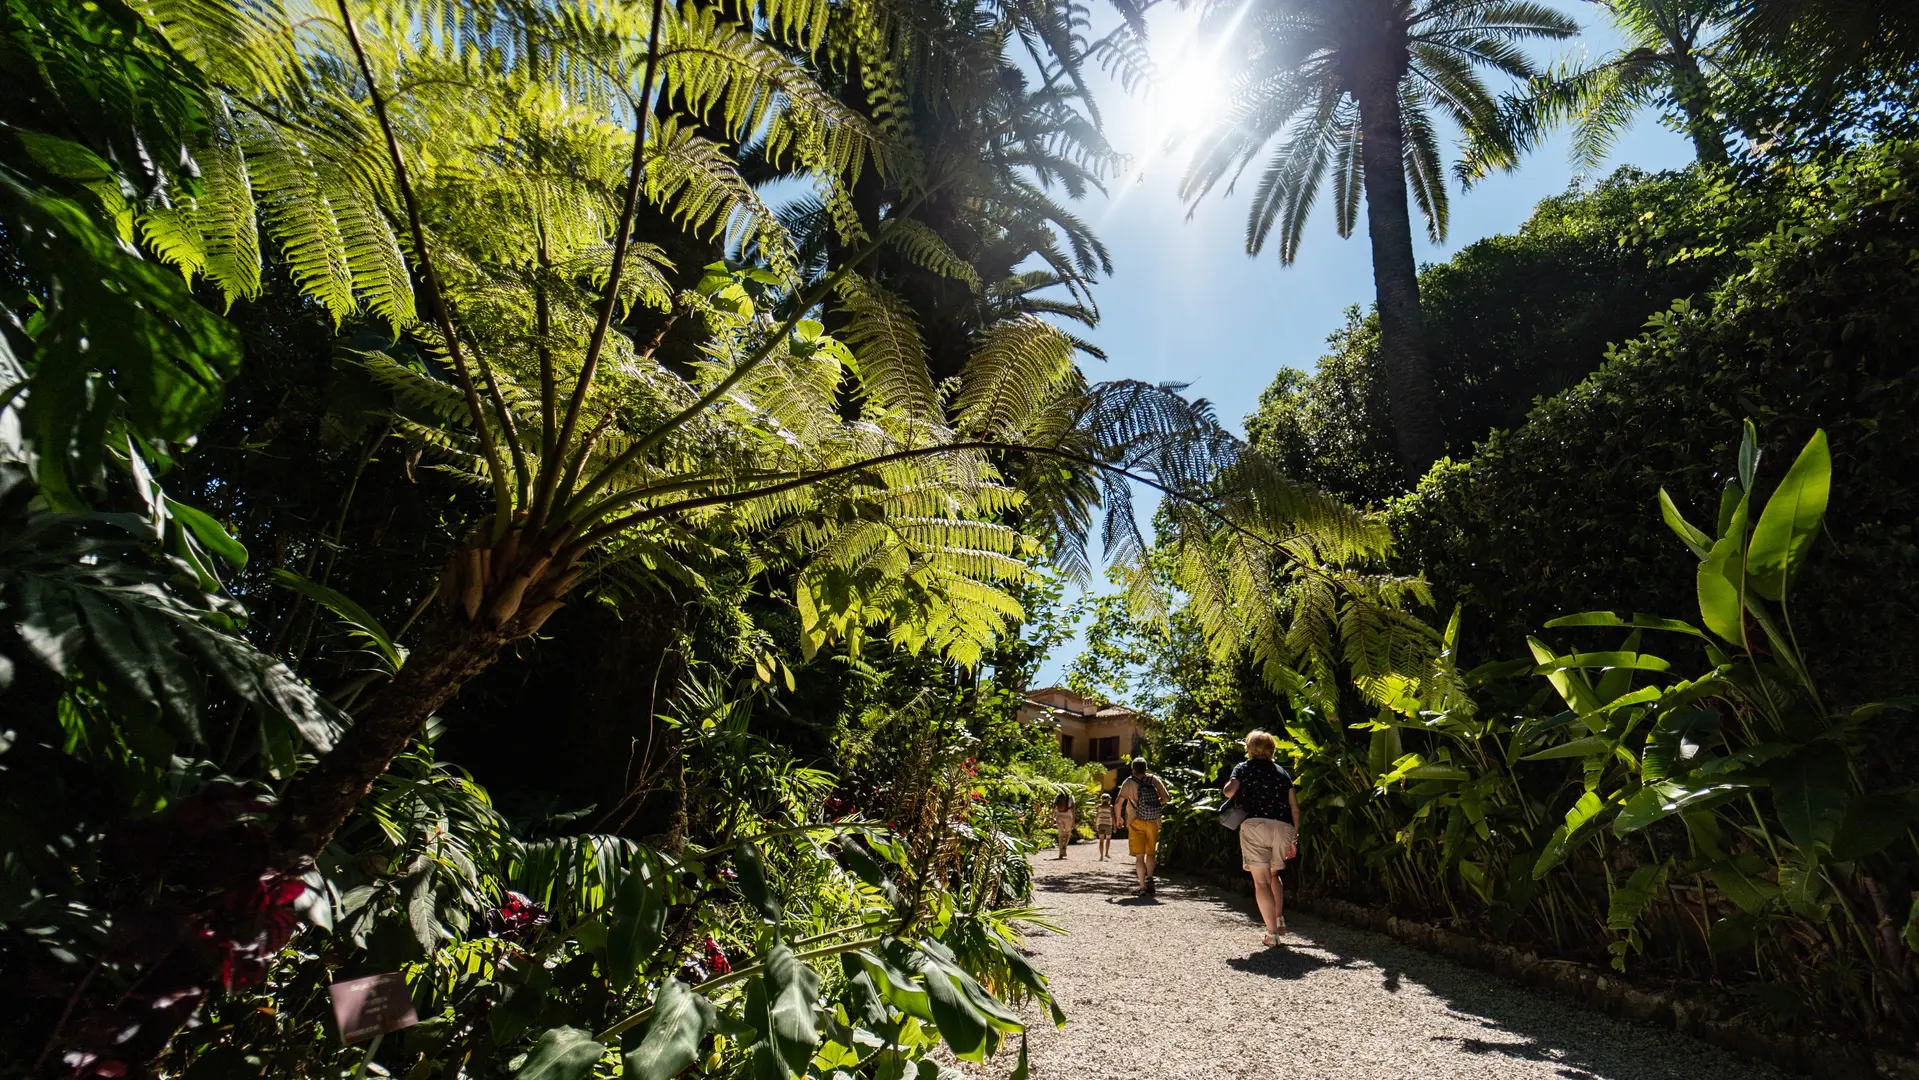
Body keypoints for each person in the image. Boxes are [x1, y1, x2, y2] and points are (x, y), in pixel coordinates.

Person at [1221, 729, 1300, 946]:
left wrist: (1233, 787)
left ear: (1250, 749)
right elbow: (1294, 808)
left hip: (1255, 824)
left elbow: (1229, 791)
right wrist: (1294, 836)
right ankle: (1279, 918)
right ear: (1271, 750)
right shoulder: (1282, 773)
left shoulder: (1243, 768)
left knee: (1262, 881)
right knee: (1274, 875)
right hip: (1283, 827)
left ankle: (1272, 935)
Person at [1116, 758, 1168, 896]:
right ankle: (1150, 879)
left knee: (1140, 856)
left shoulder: (1129, 782)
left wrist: (1118, 818)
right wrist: (1154, 805)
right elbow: (1166, 798)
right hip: (1153, 821)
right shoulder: (1154, 779)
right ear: (1146, 769)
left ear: (1133, 769)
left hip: (1135, 821)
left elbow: (1118, 802)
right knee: (1150, 852)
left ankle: (1142, 886)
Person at [1052, 792, 1076, 860]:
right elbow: (1073, 809)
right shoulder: (1071, 797)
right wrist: (1073, 820)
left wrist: (1052, 818)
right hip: (1068, 816)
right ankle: (1064, 847)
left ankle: (1060, 853)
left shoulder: (1058, 796)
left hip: (1059, 815)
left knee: (1060, 835)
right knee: (1067, 833)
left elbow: (1053, 807)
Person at [1094, 793, 1115, 861]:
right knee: (1108, 839)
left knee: (1101, 841)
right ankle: (1106, 853)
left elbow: (1097, 816)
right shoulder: (1110, 807)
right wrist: (1114, 825)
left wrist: (1096, 824)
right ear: (1108, 799)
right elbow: (1112, 817)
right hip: (1108, 824)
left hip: (1101, 824)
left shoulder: (1099, 807)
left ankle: (1101, 856)